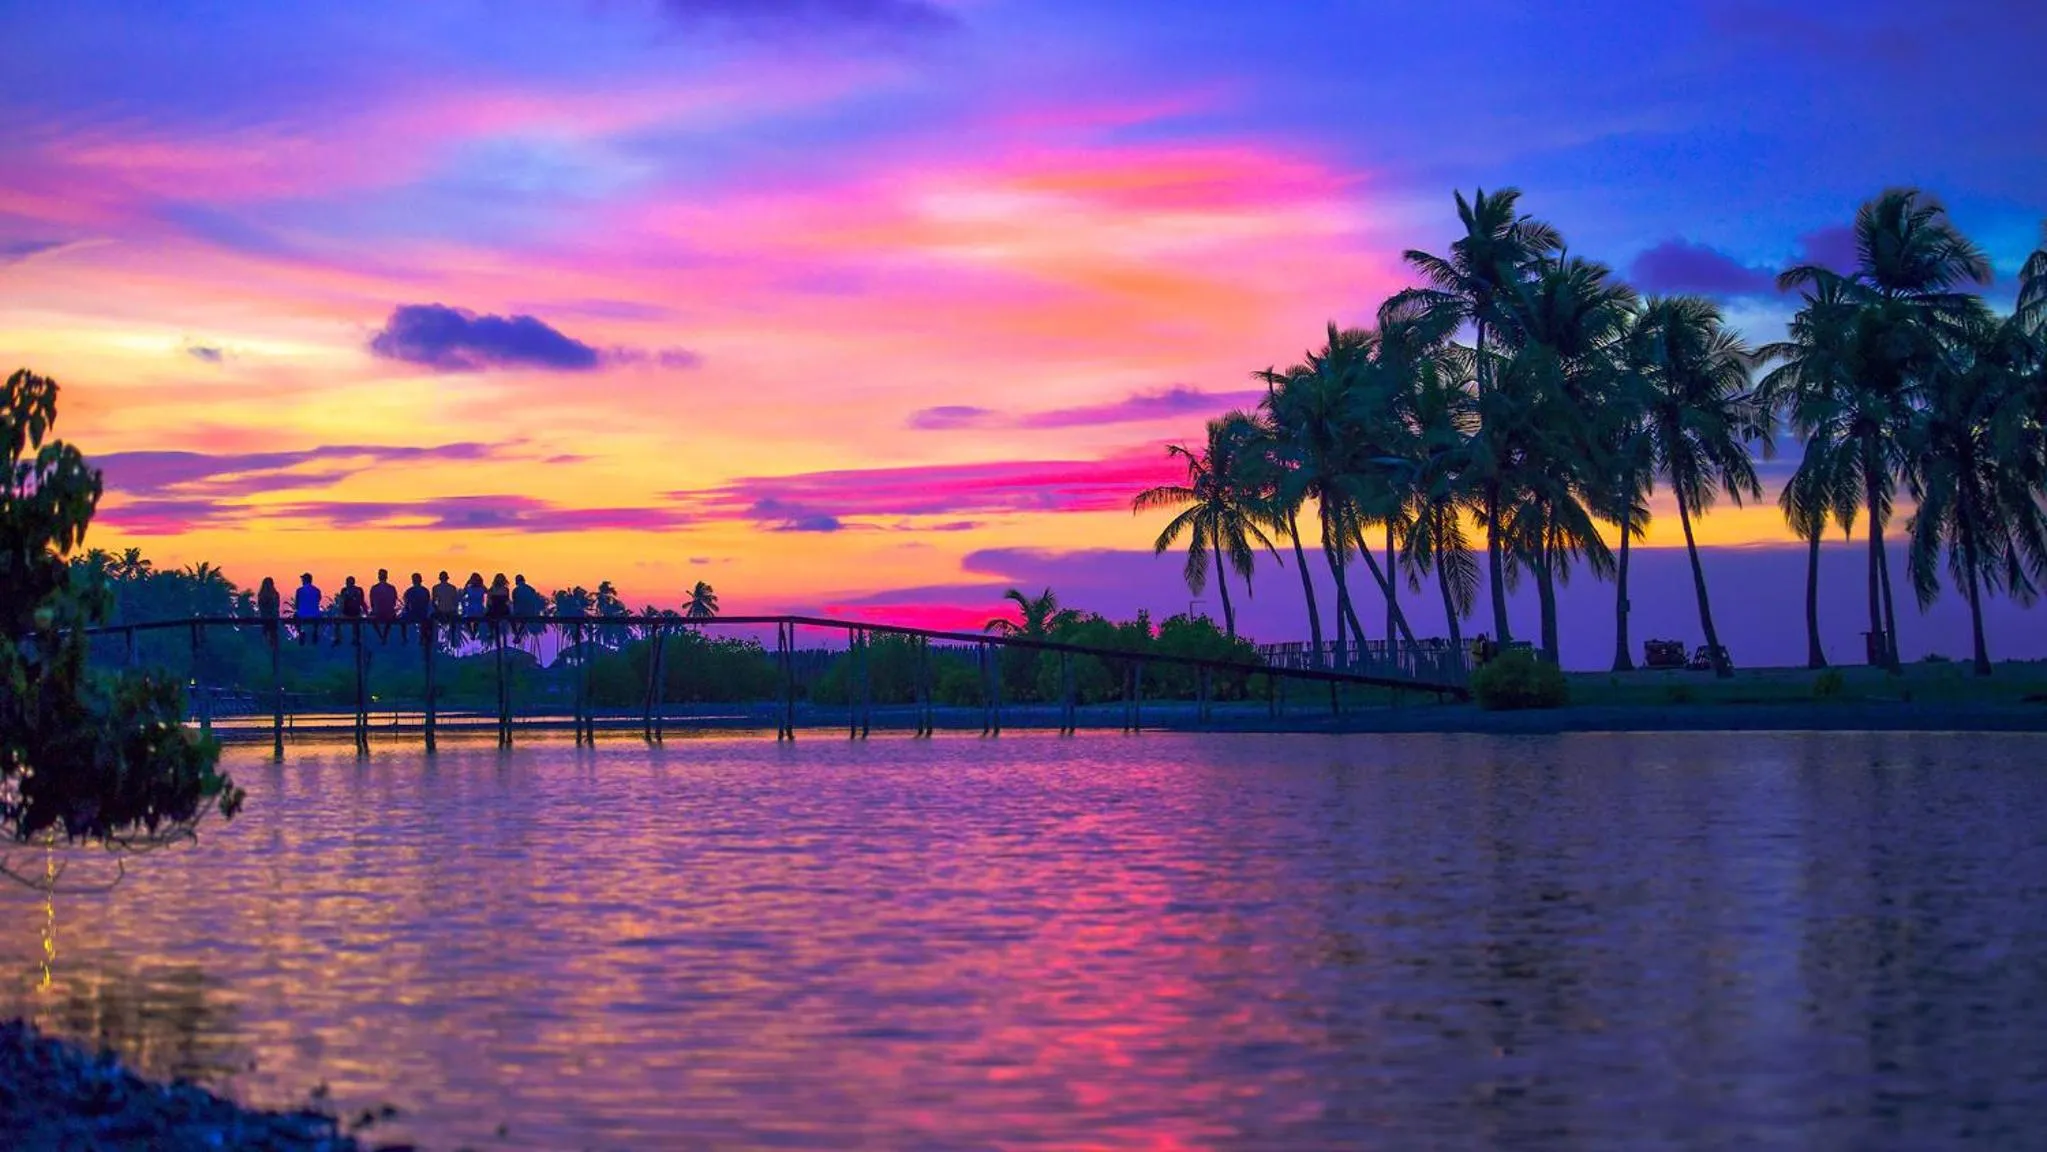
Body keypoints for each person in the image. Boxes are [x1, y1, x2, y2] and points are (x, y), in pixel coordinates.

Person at [369, 568, 399, 642]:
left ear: (378, 577)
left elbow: (372, 603)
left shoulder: (374, 588)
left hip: (378, 613)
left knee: (372, 618)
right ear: (387, 577)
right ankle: (385, 635)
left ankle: (380, 635)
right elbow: (394, 602)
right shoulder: (392, 588)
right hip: (389, 613)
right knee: (390, 618)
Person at [335, 575, 366, 646]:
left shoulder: (345, 590)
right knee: (356, 623)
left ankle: (338, 639)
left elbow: (342, 604)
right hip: (354, 613)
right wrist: (366, 612)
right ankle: (356, 639)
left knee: (338, 622)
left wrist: (339, 613)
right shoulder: (358, 590)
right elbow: (362, 602)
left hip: (349, 614)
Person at [511, 574, 544, 640]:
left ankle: (516, 634)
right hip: (530, 612)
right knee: (523, 621)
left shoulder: (515, 590)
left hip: (520, 612)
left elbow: (515, 603)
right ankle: (517, 634)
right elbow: (535, 601)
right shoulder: (530, 589)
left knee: (512, 620)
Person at [292, 573, 322, 646]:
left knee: (295, 616)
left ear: (304, 580)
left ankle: (300, 632)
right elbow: (318, 600)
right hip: (315, 615)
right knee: (319, 614)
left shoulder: (299, 590)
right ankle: (315, 631)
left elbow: (297, 605)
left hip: (302, 614)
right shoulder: (317, 590)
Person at [401, 572, 432, 642]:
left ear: (412, 581)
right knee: (427, 622)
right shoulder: (425, 591)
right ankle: (423, 638)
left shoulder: (409, 591)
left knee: (402, 621)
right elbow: (427, 603)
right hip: (422, 615)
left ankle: (404, 638)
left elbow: (406, 605)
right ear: (421, 580)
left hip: (413, 614)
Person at [485, 573, 511, 639]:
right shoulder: (493, 589)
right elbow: (489, 601)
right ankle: (491, 631)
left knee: (489, 616)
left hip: (501, 609)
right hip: (497, 608)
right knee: (488, 616)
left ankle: (492, 632)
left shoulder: (505, 589)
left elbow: (507, 601)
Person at [460, 571, 485, 639]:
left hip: (475, 608)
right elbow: (463, 594)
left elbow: (463, 594)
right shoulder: (477, 588)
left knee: (472, 621)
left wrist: (467, 584)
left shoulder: (477, 589)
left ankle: (473, 633)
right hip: (473, 608)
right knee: (470, 621)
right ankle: (472, 633)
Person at [256, 576, 281, 641]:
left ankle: (268, 644)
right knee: (272, 634)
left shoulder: (262, 594)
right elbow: (277, 606)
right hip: (270, 617)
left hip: (268, 617)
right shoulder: (274, 594)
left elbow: (261, 607)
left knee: (269, 633)